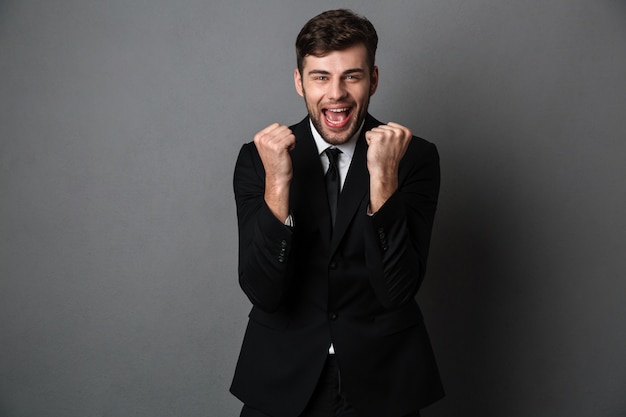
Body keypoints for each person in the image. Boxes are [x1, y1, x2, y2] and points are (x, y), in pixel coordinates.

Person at [230, 9, 444, 417]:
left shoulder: (415, 158)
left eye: (352, 75)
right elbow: (262, 290)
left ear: (373, 79)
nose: (336, 94)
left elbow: (397, 290)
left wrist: (382, 177)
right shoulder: (259, 160)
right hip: (282, 378)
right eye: (321, 77)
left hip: (384, 380)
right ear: (300, 82)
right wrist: (277, 184)